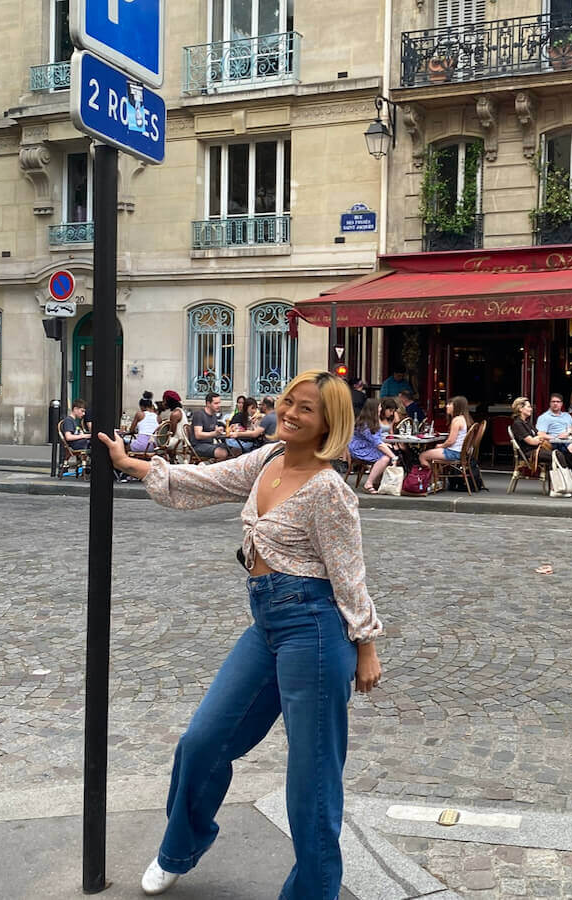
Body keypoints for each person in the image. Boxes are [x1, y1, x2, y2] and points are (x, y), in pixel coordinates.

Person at [98, 370, 382, 899]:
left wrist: (366, 645)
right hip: (267, 624)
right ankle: (179, 848)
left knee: (311, 781)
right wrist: (132, 464)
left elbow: (350, 573)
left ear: (329, 423)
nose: (291, 414)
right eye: (289, 402)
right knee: (203, 742)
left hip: (315, 631)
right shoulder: (269, 460)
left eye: (307, 409)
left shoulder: (329, 490)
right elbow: (207, 481)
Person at [510, 397, 572, 496]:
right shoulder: (518, 424)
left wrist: (539, 438)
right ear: (520, 409)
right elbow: (532, 441)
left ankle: (565, 487)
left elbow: (537, 436)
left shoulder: (526, 422)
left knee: (566, 455)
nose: (531, 409)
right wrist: (539, 439)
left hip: (537, 450)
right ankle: (556, 489)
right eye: (529, 407)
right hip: (530, 453)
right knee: (557, 455)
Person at [348, 397, 397, 494]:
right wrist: (393, 457)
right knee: (386, 457)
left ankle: (377, 482)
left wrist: (386, 446)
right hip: (359, 449)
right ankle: (369, 483)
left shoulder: (372, 421)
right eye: (378, 408)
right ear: (373, 410)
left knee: (387, 452)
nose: (380, 409)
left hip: (366, 446)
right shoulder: (366, 424)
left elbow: (377, 440)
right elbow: (378, 444)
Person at [419, 395, 470, 470]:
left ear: (456, 407)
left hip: (454, 453)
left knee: (422, 456)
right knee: (431, 456)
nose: (446, 406)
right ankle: (435, 480)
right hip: (459, 452)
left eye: (449, 404)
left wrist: (441, 446)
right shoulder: (463, 418)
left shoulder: (456, 420)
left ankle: (427, 480)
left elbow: (451, 441)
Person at [189, 392, 229, 461]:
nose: (219, 405)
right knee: (223, 453)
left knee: (235, 449)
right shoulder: (199, 414)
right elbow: (198, 435)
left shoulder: (214, 415)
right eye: (216, 403)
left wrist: (223, 430)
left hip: (210, 444)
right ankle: (212, 469)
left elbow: (215, 431)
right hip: (199, 446)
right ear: (208, 403)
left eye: (219, 403)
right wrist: (214, 433)